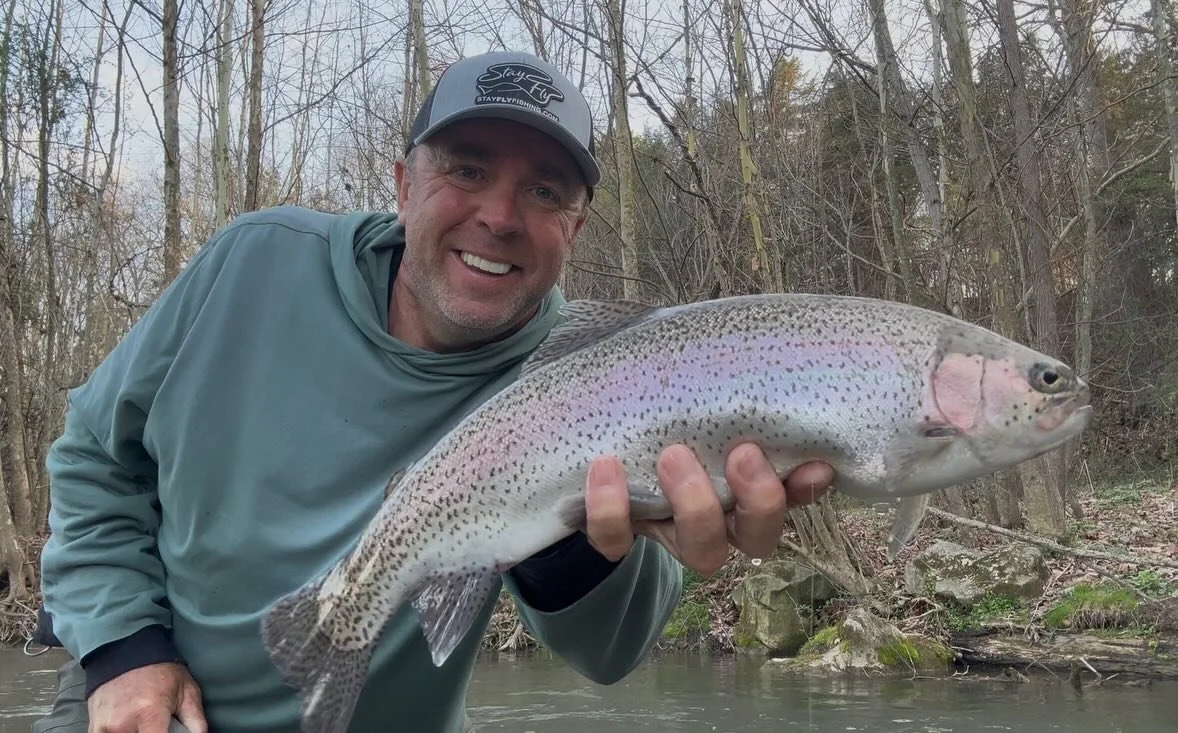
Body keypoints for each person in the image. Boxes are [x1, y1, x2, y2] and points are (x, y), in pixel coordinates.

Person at [33, 50, 833, 733]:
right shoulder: (254, 264)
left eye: (546, 190)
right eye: (467, 168)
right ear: (403, 183)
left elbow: (611, 651)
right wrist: (123, 649)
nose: (499, 215)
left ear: (578, 229)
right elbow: (96, 460)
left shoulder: (603, 369)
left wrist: (564, 536)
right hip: (147, 703)